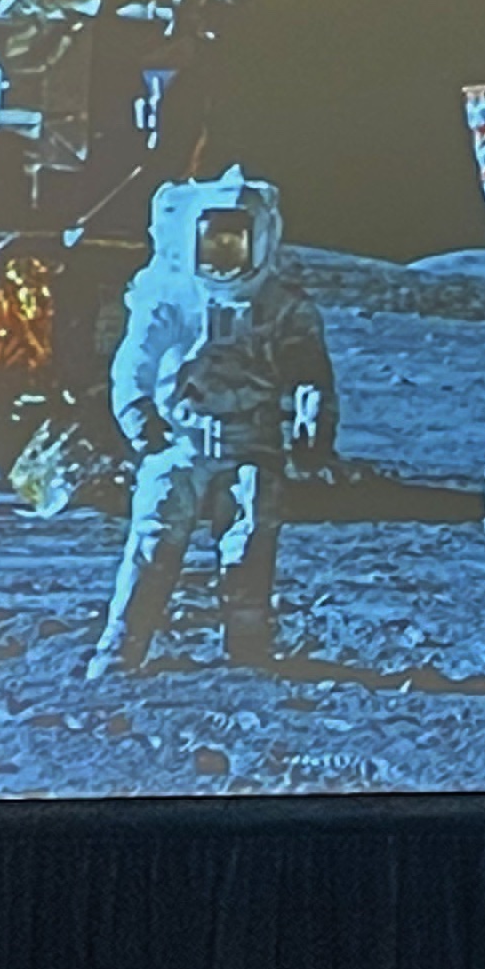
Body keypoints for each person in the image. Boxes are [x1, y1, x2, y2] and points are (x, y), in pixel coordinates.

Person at [86, 168, 335, 679]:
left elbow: (310, 370)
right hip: (181, 437)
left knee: (250, 533)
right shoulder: (169, 296)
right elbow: (136, 360)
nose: (223, 250)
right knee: (157, 529)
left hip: (252, 441)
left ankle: (247, 645)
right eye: (214, 238)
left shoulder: (283, 305)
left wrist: (315, 422)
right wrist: (138, 416)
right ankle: (122, 643)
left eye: (235, 238)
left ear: (260, 237)